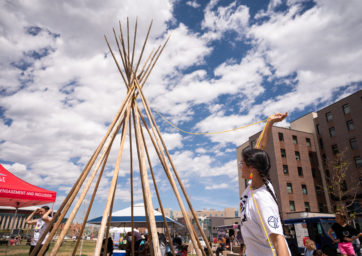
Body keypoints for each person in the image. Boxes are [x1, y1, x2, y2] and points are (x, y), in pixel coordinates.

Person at [239, 112, 291, 256]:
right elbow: (259, 147)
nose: (239, 166)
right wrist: (269, 123)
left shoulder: (263, 200)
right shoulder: (254, 182)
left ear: (252, 168)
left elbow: (278, 239)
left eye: (242, 163)